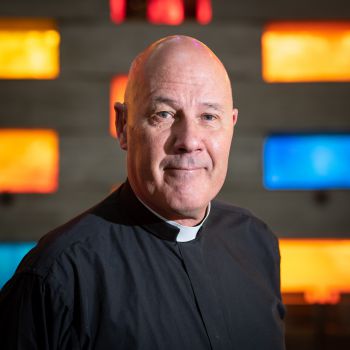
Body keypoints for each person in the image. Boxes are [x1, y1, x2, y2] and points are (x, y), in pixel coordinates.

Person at [0, 35, 285, 349]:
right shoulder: (55, 277)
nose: (189, 140)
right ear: (123, 126)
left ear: (231, 126)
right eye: (163, 115)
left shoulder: (258, 243)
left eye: (208, 117)